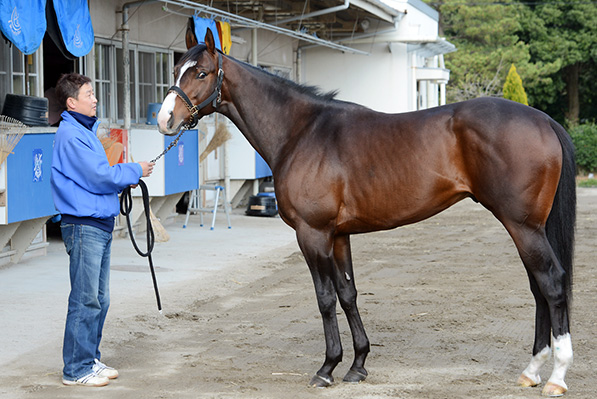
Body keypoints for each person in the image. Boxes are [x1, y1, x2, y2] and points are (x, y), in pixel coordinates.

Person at [51, 73, 154, 387]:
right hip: (84, 226)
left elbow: (100, 176)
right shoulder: (71, 135)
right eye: (88, 94)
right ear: (72, 102)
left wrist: (125, 176)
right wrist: (135, 170)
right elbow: (98, 176)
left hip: (98, 224)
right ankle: (77, 369)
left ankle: (88, 357)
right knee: (86, 299)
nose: (95, 99)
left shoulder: (84, 132)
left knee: (99, 298)